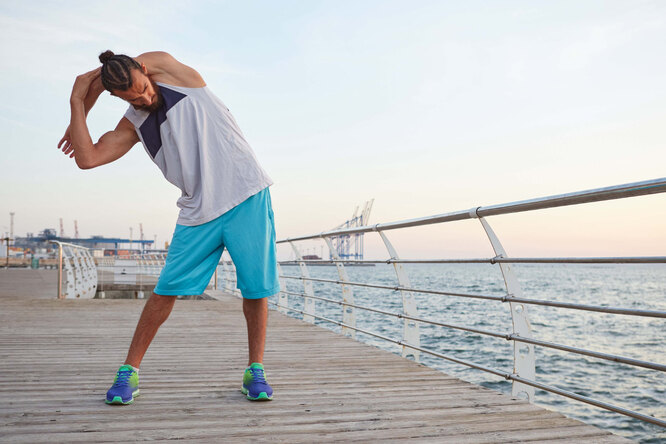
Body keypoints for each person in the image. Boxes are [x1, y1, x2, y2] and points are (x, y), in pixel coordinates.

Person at [59, 50, 279, 404]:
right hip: (197, 209)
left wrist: (88, 86)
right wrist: (76, 104)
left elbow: (98, 77)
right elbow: (87, 158)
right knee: (165, 291)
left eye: (143, 88)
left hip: (246, 192)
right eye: (132, 98)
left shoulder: (176, 76)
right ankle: (129, 372)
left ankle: (256, 369)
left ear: (145, 71)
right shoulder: (133, 124)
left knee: (255, 289)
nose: (144, 98)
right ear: (119, 99)